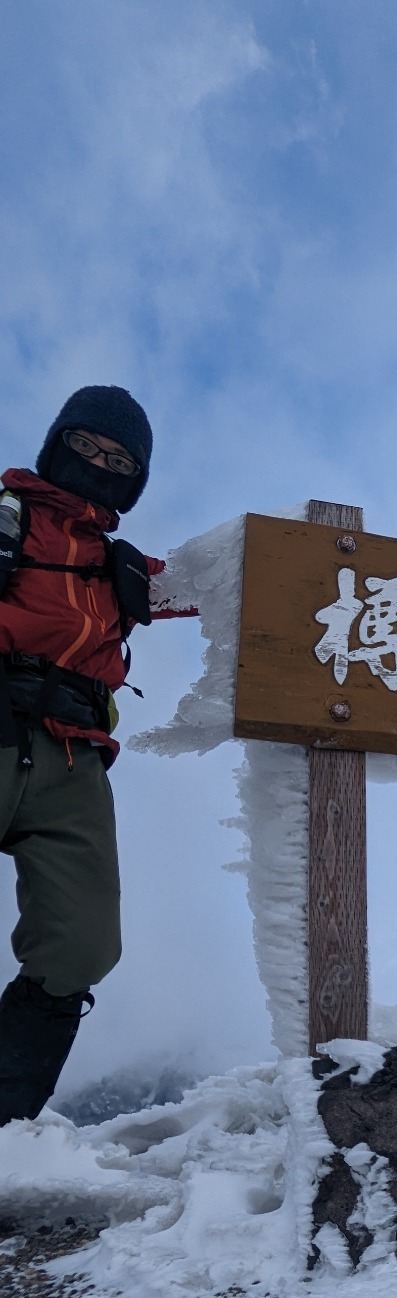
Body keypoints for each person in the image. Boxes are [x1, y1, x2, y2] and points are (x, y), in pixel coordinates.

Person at [0, 385, 189, 1124]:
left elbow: (220, 583)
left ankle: (5, 1133)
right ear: (57, 444)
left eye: (119, 461)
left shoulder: (123, 569)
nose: (100, 465)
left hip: (74, 756)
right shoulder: (7, 518)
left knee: (82, 948)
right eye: (87, 448)